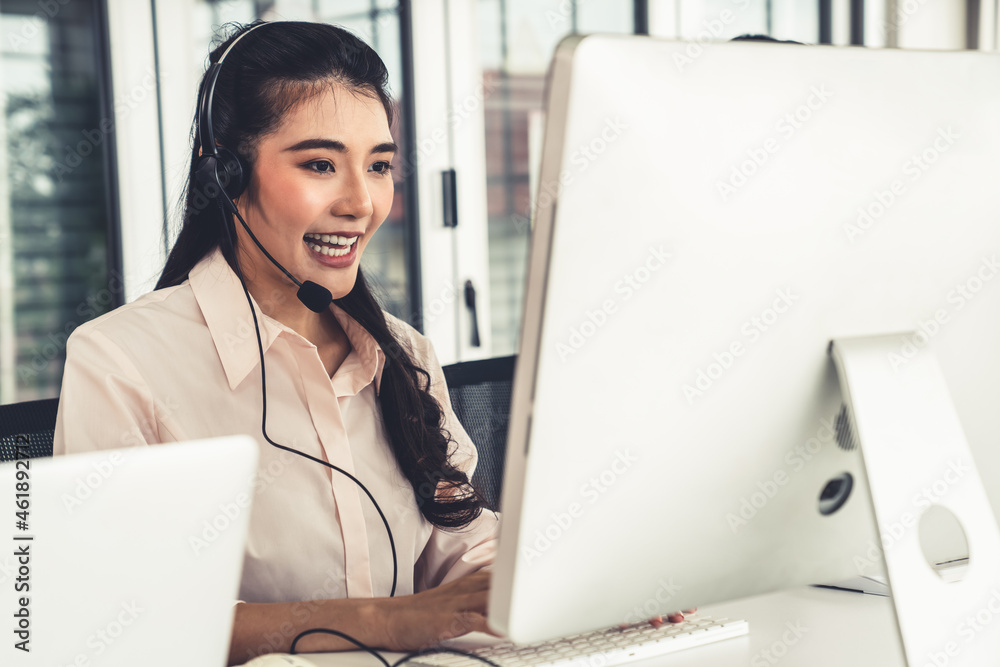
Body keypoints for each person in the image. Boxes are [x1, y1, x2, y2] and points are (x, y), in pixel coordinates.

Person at [53, 20, 499, 665]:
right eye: (320, 164)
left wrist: (560, 583)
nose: (361, 202)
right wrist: (385, 621)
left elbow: (464, 550)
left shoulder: (403, 354)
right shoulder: (122, 361)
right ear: (227, 173)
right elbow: (120, 621)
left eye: (378, 166)